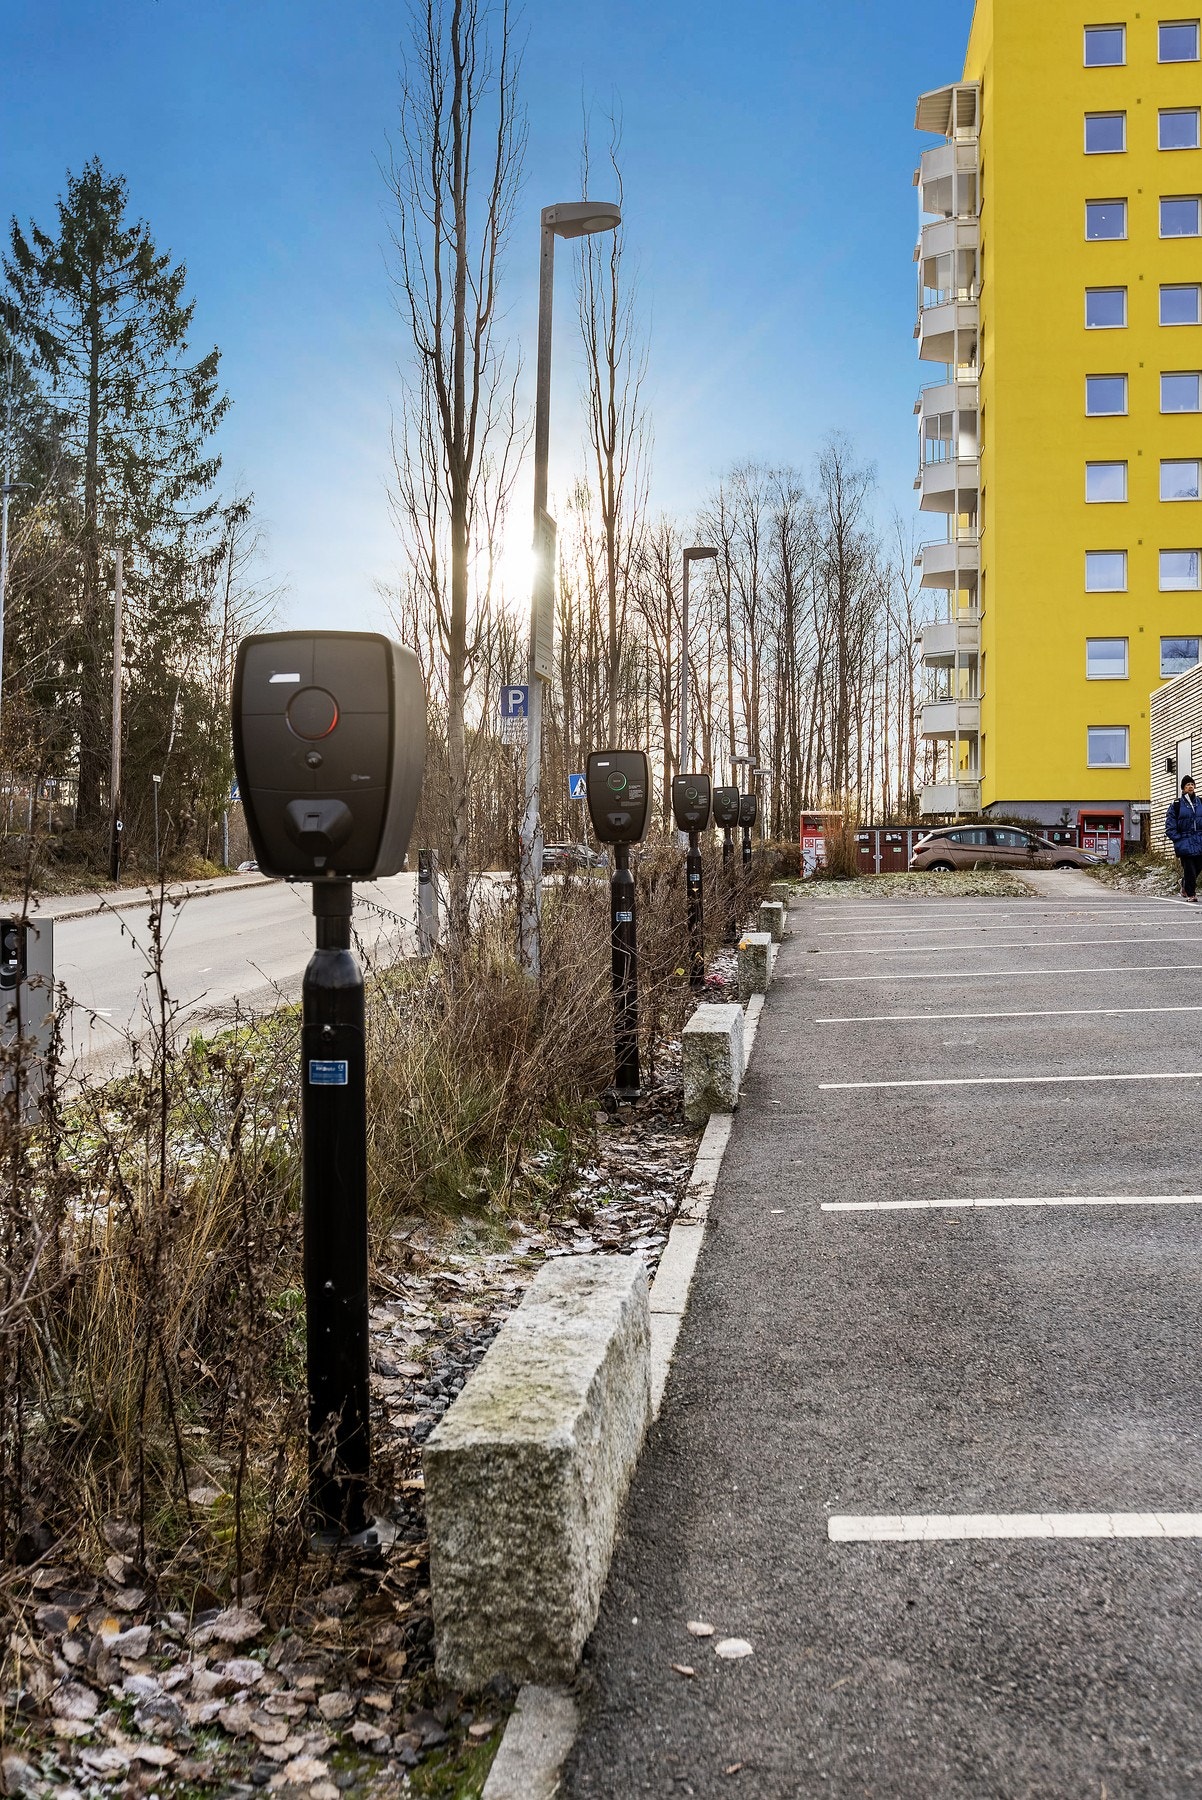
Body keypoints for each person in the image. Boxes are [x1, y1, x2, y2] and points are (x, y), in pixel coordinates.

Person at [1165, 775, 1202, 901]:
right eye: (1187, 785)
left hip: (1199, 840)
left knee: (1198, 866)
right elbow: (1170, 825)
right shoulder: (1176, 804)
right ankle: (1191, 894)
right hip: (1185, 841)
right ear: (1183, 788)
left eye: (1192, 784)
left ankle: (1184, 883)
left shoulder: (1201, 802)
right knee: (1190, 868)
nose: (1190, 786)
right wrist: (1177, 839)